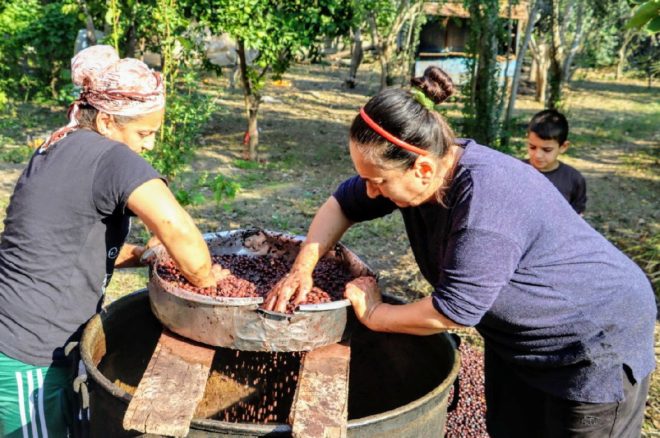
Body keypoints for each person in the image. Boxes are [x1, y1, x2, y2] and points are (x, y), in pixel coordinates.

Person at [264, 67, 656, 437]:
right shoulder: (420, 171)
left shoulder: (483, 205)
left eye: (377, 182)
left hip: (591, 341)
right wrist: (303, 269)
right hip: (519, 341)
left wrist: (377, 315)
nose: (369, 191)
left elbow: (453, 310)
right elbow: (341, 204)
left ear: (421, 168)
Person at [0, 45, 224, 437]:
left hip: (36, 339)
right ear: (106, 121)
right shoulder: (111, 158)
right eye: (144, 133)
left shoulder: (60, 145)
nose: (149, 145)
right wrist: (210, 287)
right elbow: (180, 232)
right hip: (26, 351)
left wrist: (141, 254)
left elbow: (65, 244)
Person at [526, 109, 587, 214]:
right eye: (532, 147)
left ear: (563, 147)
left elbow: (577, 216)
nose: (538, 155)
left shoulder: (574, 180)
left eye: (547, 150)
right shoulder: (515, 170)